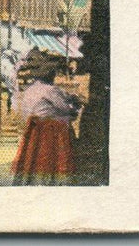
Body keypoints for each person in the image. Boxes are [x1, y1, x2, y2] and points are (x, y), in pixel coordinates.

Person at [12, 53, 83, 185]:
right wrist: (74, 108)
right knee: (52, 161)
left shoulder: (30, 90)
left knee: (34, 159)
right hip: (50, 130)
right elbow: (64, 109)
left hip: (33, 129)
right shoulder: (51, 90)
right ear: (50, 75)